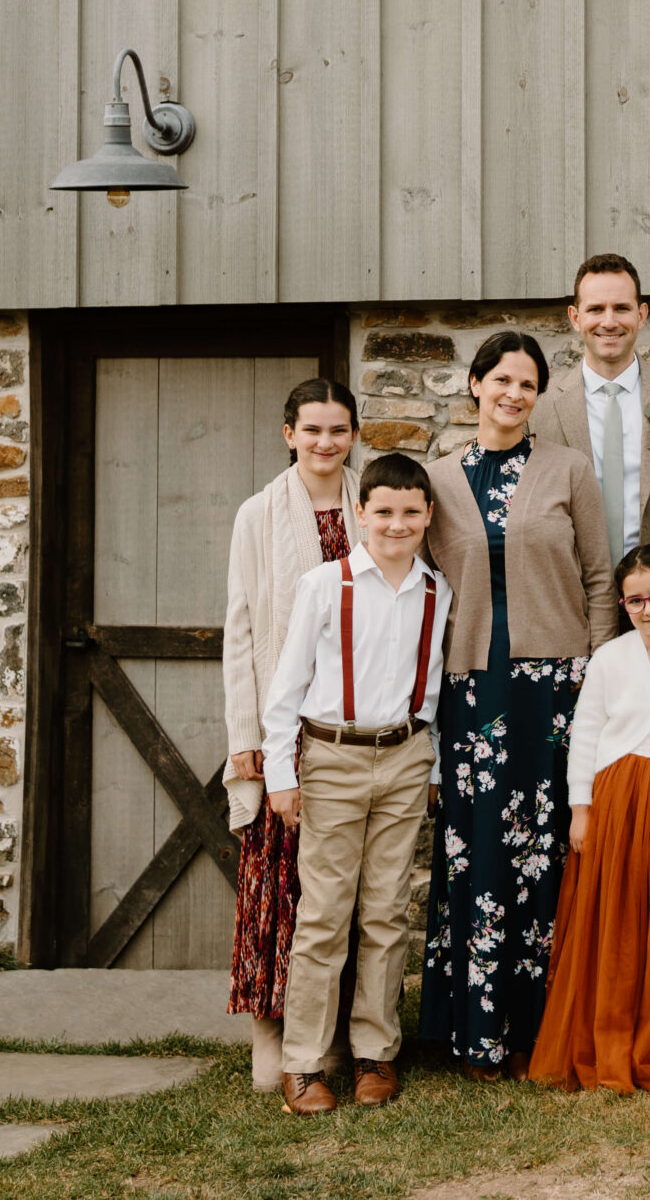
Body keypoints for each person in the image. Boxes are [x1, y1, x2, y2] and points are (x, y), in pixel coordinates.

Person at [419, 331, 617, 1079]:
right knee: (479, 849)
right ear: (474, 385)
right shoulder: (436, 480)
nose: (512, 393)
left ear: (538, 395)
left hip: (555, 691)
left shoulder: (568, 469)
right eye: (500, 379)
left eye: (527, 384)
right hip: (473, 688)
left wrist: (595, 673)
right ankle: (475, 1030)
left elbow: (600, 576)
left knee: (550, 849)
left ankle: (547, 1024)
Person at [258, 453, 449, 1115]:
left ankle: (376, 1051)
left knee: (387, 912)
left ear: (428, 515)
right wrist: (281, 774)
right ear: (360, 513)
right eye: (384, 511)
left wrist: (433, 764)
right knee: (324, 913)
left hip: (404, 758)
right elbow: (284, 690)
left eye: (411, 512)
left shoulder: (436, 591)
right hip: (333, 757)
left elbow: (431, 689)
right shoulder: (325, 585)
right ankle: (304, 1061)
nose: (397, 524)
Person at [528, 543, 650, 1093]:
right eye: (636, 600)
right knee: (617, 916)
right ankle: (611, 1028)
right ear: (623, 605)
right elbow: (585, 736)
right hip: (618, 802)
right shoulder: (611, 659)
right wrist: (580, 810)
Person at [223, 377, 363, 1092]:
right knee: (280, 888)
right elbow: (242, 627)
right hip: (284, 727)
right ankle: (273, 1040)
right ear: (289, 433)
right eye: (312, 429)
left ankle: (337, 1036)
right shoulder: (259, 514)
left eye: (338, 429)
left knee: (340, 890)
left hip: (350, 724)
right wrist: (245, 731)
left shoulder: (374, 508)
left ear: (353, 435)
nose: (325, 442)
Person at [539, 252, 650, 562]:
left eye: (621, 308)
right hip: (573, 596)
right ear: (575, 318)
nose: (609, 321)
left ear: (641, 315)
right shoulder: (540, 406)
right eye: (595, 309)